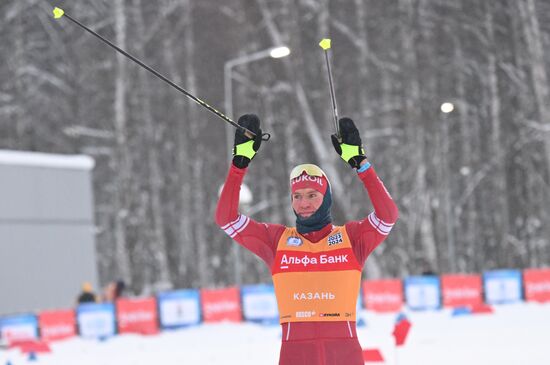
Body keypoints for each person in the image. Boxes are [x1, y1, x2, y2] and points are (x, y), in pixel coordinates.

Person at [215, 114, 398, 365]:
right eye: (297, 196)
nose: (304, 203)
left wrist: (361, 164)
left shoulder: (351, 238)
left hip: (344, 355)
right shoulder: (276, 241)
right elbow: (226, 218)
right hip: (295, 355)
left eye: (312, 195)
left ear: (327, 197)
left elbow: (388, 216)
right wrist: (239, 164)